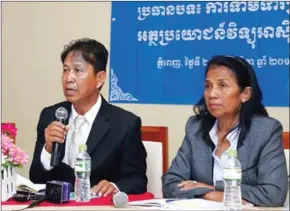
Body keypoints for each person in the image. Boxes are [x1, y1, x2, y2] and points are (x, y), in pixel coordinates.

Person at [162, 55, 288, 207]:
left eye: (222, 85)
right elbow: (171, 182)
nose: (212, 94)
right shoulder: (195, 127)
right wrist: (209, 194)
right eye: (208, 86)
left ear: (245, 94)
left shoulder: (266, 131)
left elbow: (273, 194)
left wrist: (216, 188)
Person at [30, 38, 147, 196]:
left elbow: (137, 180)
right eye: (65, 70)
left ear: (100, 78)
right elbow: (35, 177)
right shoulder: (50, 115)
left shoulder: (125, 123)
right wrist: (48, 150)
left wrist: (114, 186)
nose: (68, 78)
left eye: (77, 71)